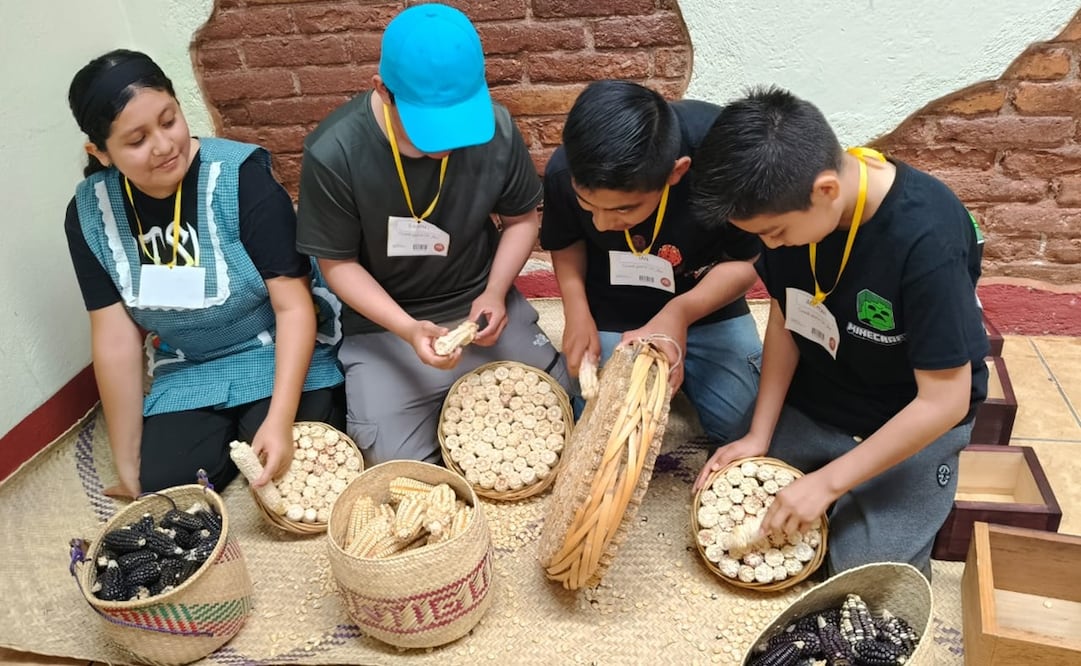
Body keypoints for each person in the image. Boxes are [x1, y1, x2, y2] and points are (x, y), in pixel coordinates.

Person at [690, 87, 990, 578]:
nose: (770, 246)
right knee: (730, 491)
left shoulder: (927, 237)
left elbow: (945, 401)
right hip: (822, 394)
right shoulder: (791, 209)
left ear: (826, 189)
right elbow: (788, 317)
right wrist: (760, 432)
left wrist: (827, 484)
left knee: (862, 572)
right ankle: (831, 472)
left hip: (906, 412)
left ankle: (870, 485)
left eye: (776, 234)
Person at [295, 3, 570, 466]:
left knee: (555, 413)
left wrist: (496, 293)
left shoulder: (496, 128)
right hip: (386, 322)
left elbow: (523, 221)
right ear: (383, 91)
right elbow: (337, 266)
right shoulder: (334, 152)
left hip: (479, 304)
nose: (446, 144)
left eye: (457, 123)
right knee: (395, 463)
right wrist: (407, 329)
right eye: (428, 128)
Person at [65, 49, 345, 497]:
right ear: (100, 153)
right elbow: (115, 338)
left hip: (274, 346)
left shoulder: (242, 177)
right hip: (188, 364)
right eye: (136, 141)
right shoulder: (89, 215)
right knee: (164, 486)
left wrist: (278, 418)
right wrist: (128, 458)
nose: (164, 145)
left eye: (169, 120)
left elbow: (292, 305)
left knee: (305, 468)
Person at [540, 80, 762, 442]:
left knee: (745, 430)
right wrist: (576, 312)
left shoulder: (722, 158)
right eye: (586, 205)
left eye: (623, 209)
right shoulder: (566, 169)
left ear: (677, 172)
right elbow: (566, 243)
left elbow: (747, 261)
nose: (602, 223)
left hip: (705, 298)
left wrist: (680, 313)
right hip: (613, 301)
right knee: (602, 433)